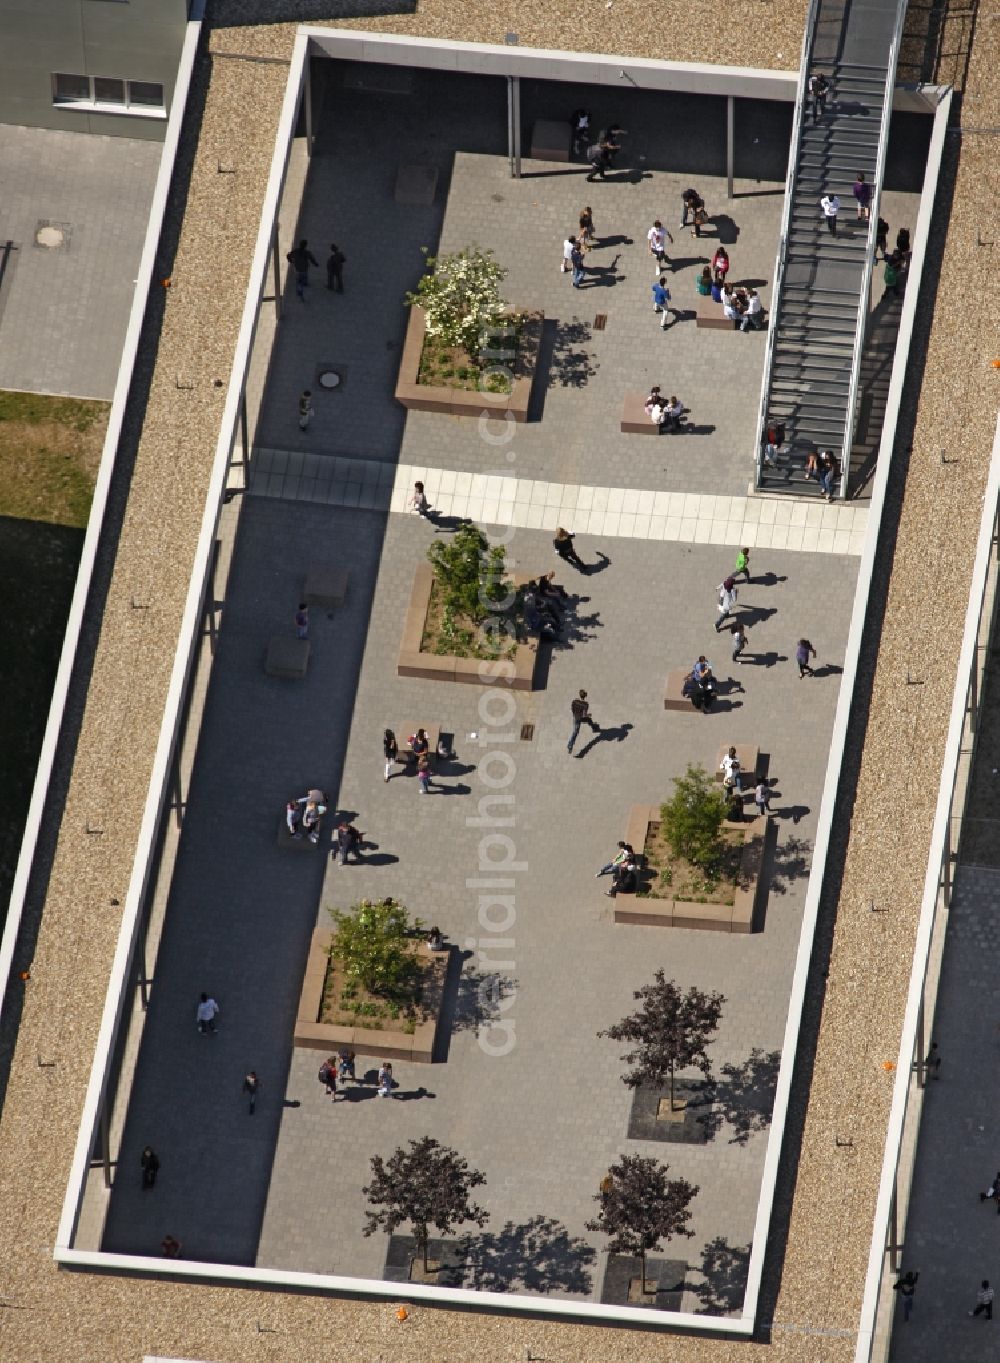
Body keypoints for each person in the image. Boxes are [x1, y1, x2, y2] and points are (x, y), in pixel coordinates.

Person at [567, 688, 599, 754]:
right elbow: (584, 715)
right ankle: (570, 744)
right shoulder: (585, 704)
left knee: (576, 731)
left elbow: (572, 709)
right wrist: (589, 715)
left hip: (576, 717)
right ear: (585, 696)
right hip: (580, 718)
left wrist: (575, 714)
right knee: (576, 731)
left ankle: (594, 727)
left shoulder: (574, 701)